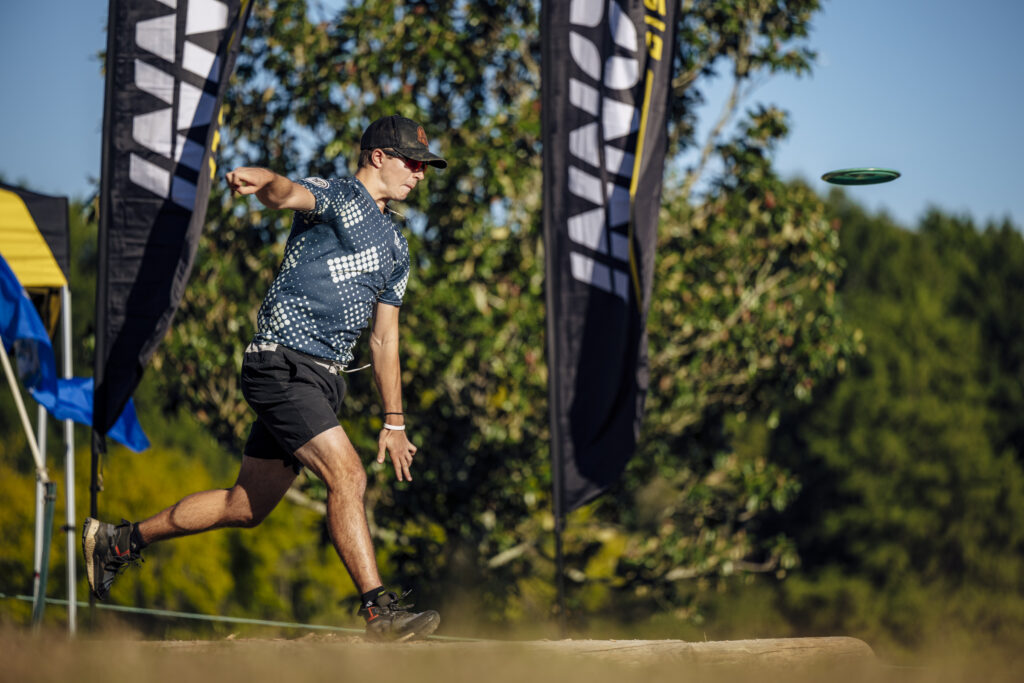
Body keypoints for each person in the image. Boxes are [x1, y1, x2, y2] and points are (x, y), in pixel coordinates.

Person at [82, 115, 447, 642]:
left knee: (244, 506)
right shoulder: (339, 196)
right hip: (282, 364)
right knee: (348, 475)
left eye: (424, 166)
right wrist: (265, 181)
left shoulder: (396, 244)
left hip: (323, 380)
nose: (420, 173)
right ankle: (378, 612)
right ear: (378, 157)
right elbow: (288, 193)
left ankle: (117, 542)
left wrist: (395, 421)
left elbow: (385, 339)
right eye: (413, 162)